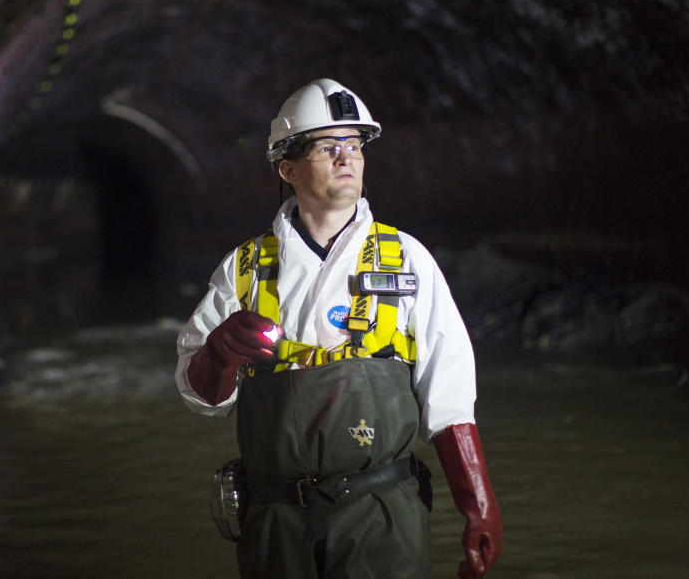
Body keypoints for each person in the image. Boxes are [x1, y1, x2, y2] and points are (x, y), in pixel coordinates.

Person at [175, 78, 502, 578]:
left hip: (382, 515)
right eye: (329, 147)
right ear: (289, 168)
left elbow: (449, 394)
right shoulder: (243, 270)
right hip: (276, 521)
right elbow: (200, 397)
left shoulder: (407, 260)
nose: (347, 157)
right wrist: (219, 354)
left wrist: (478, 504)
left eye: (355, 146)